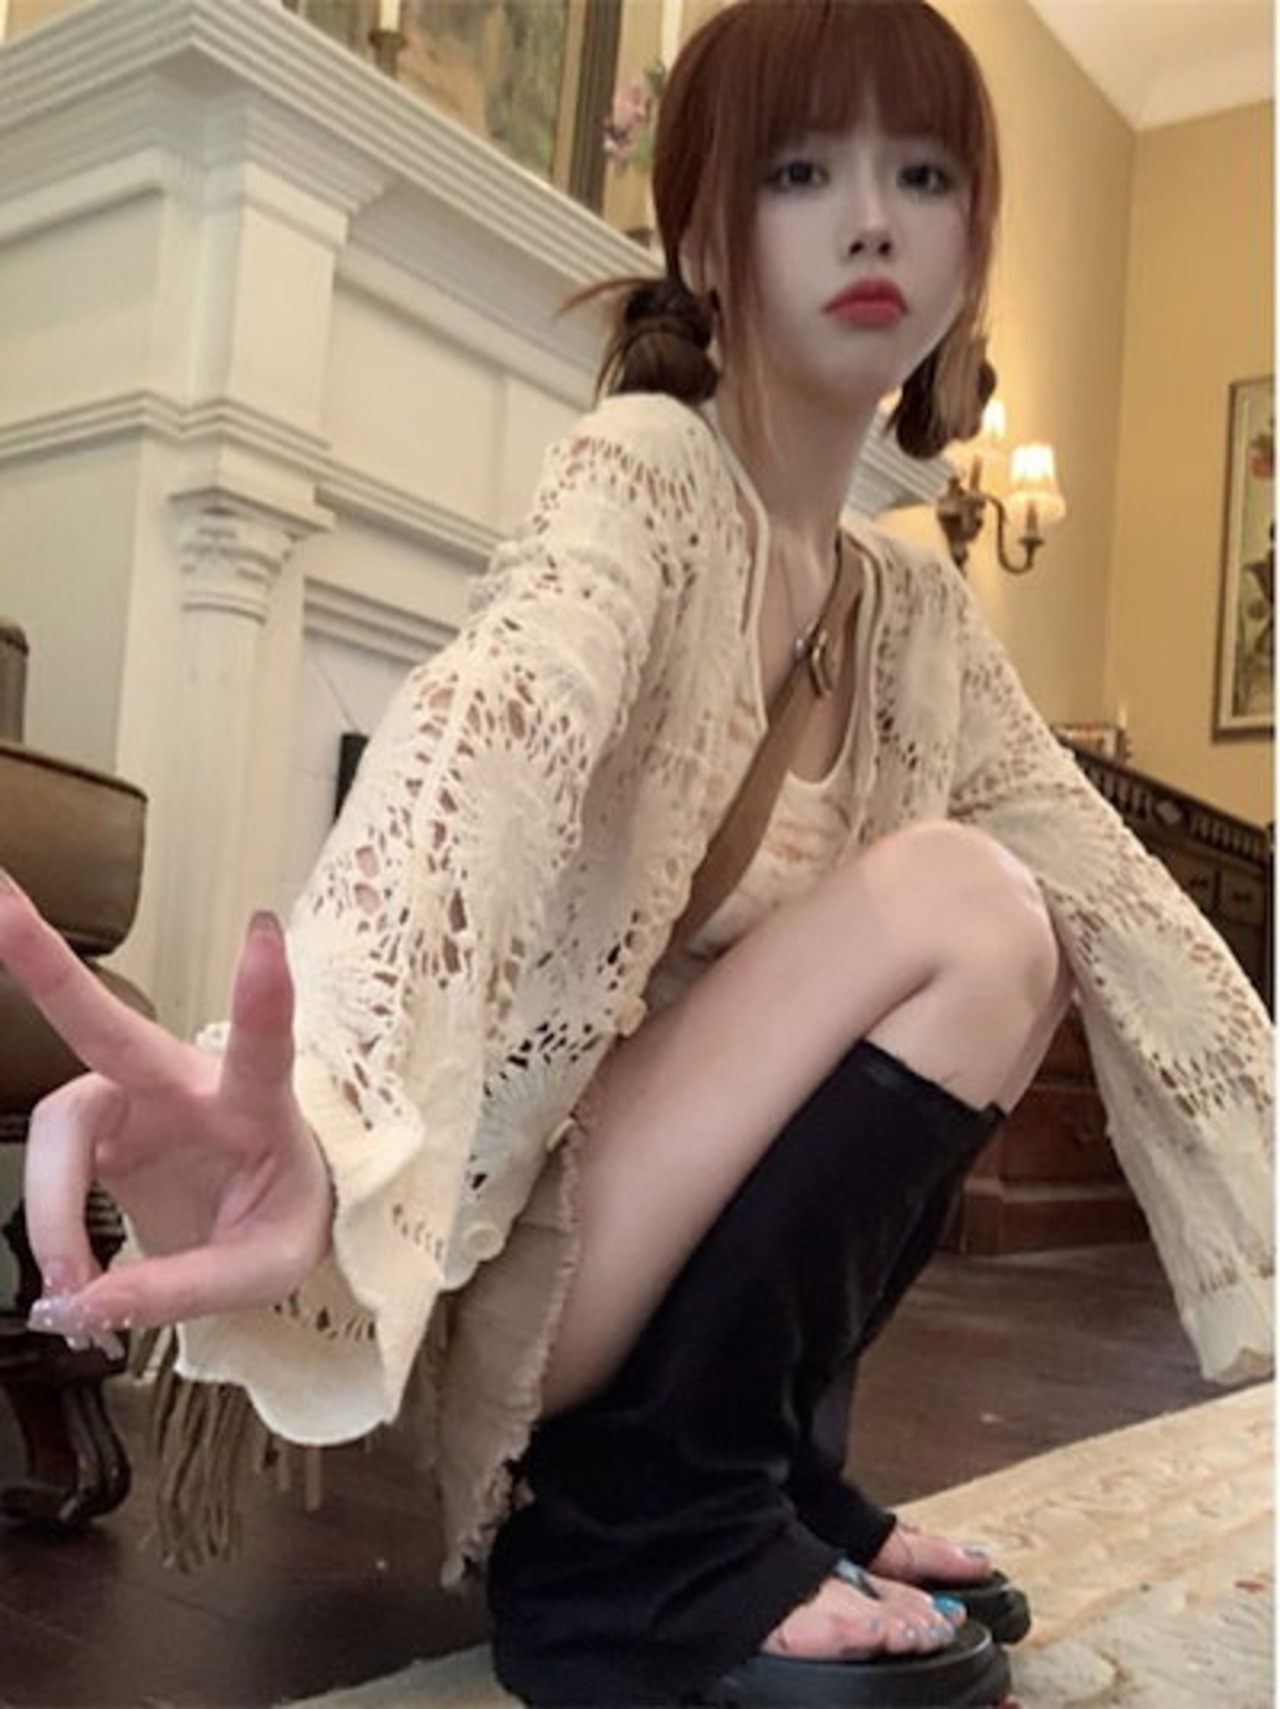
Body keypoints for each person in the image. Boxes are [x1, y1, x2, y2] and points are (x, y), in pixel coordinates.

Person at [2, 2, 1271, 1705]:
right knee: (965, 905)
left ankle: (774, 1479)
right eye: (802, 173)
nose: (871, 219)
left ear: (973, 249)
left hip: (653, 1240)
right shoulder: (646, 477)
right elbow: (478, 746)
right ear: (707, 241)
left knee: (1032, 929)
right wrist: (302, 1092)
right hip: (543, 1282)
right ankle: (643, 1541)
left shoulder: (918, 615)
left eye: (923, 175)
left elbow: (1131, 913)